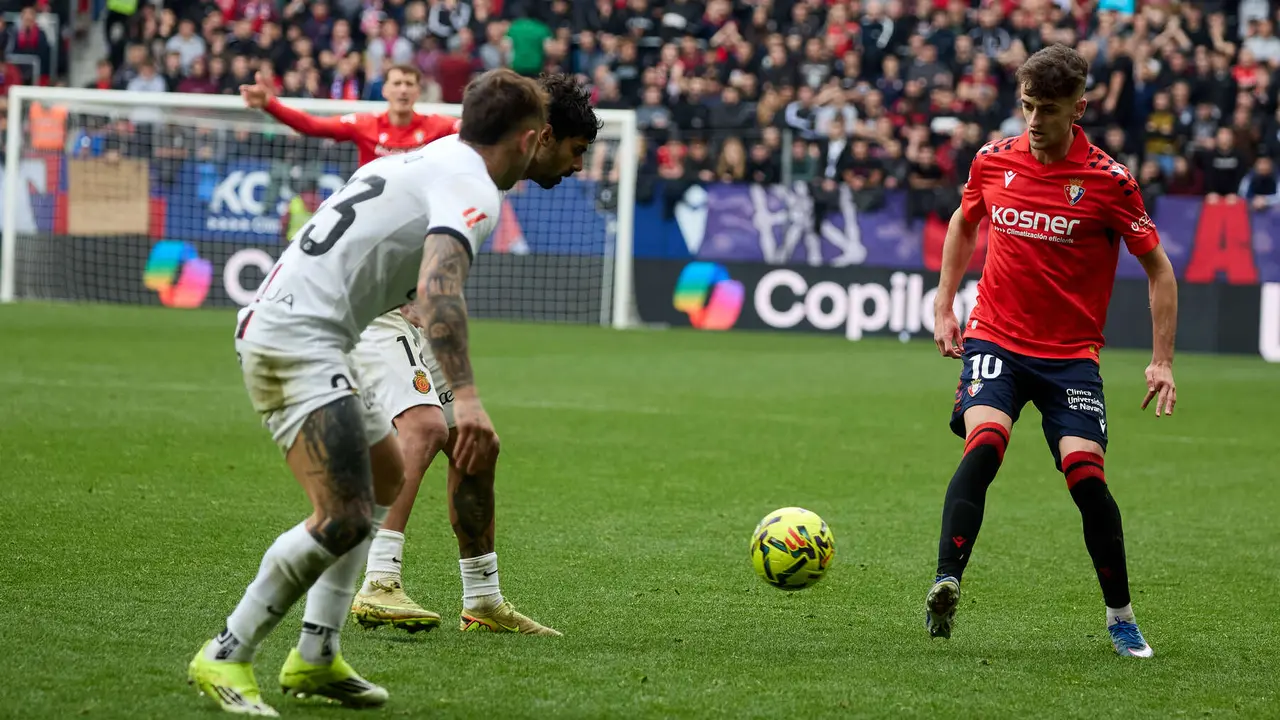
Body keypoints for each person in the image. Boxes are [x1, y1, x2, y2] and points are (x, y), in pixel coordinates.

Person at [187, 68, 548, 717]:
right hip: (293, 337)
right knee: (344, 513)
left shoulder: (428, 155)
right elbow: (439, 287)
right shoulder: (471, 184)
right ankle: (226, 651)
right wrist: (465, 398)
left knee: (382, 481)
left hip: (322, 332)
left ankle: (317, 657)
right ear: (527, 140)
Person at [925, 44, 1178, 659]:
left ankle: (1121, 618)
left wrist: (1161, 360)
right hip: (997, 338)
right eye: (1027, 106)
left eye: (1049, 110)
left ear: (1080, 109)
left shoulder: (1109, 182)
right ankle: (946, 580)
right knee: (984, 444)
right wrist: (944, 304)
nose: (1034, 121)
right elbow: (964, 222)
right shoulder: (993, 160)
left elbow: (1160, 271)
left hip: (1069, 357)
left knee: (1086, 478)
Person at [348, 74, 600, 638]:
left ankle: (483, 600)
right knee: (425, 427)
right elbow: (440, 285)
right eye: (576, 152)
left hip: (396, 302)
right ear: (541, 136)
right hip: (359, 307)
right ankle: (378, 580)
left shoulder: (463, 162)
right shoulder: (473, 182)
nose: (578, 167)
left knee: (475, 444)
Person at [240, 63, 458, 165]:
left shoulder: (437, 125)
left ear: (418, 92)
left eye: (409, 84)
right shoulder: (364, 123)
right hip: (373, 212)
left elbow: (472, 128)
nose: (403, 89)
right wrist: (270, 104)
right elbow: (312, 125)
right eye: (397, 83)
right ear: (384, 90)